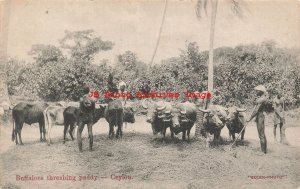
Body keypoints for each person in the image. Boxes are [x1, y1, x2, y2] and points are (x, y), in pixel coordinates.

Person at [247, 85, 269, 154]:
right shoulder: (261, 98)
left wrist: (249, 118)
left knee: (261, 134)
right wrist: (256, 100)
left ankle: (263, 151)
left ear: (260, 91)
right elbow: (256, 105)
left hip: (260, 116)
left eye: (257, 91)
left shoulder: (261, 99)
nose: (256, 92)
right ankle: (264, 150)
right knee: (262, 134)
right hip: (259, 116)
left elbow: (256, 111)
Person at [77, 85, 96, 152]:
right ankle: (90, 149)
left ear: (83, 91)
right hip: (90, 117)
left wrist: (77, 119)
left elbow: (80, 110)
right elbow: (94, 111)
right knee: (90, 132)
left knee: (79, 132)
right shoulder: (92, 99)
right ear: (88, 91)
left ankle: (80, 150)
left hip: (82, 118)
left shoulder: (81, 99)